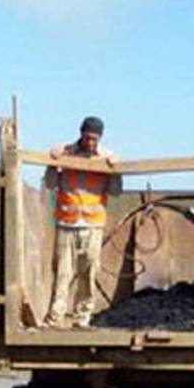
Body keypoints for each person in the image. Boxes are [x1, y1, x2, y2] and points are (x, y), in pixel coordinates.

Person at [44, 116, 122, 328]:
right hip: (67, 223)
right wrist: (52, 164)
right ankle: (55, 317)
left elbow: (115, 192)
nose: (91, 143)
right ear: (81, 135)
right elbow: (50, 184)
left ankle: (82, 318)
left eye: (95, 139)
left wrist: (116, 171)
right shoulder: (65, 153)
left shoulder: (106, 157)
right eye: (88, 138)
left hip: (93, 224)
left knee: (89, 273)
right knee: (62, 273)